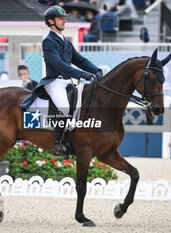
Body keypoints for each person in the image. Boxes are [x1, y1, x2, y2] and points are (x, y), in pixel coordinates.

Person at [20, 6, 103, 156]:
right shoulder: (48, 42)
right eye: (60, 19)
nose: (64, 21)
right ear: (51, 22)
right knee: (64, 108)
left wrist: (95, 70)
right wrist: (83, 75)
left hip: (68, 82)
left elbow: (80, 60)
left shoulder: (67, 42)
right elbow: (59, 65)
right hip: (54, 82)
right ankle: (57, 145)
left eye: (64, 18)